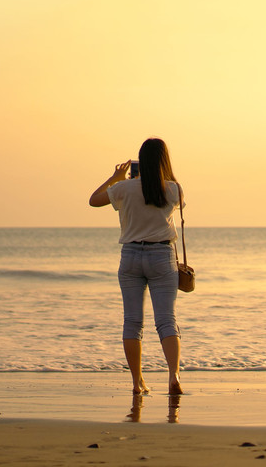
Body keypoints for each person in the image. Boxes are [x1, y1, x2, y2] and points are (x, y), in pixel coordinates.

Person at [89, 137, 184, 396]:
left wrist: (115, 177)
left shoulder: (124, 188)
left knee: (132, 322)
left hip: (130, 255)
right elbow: (177, 206)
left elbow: (93, 200)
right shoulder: (173, 189)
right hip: (162, 255)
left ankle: (136, 382)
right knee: (166, 320)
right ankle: (173, 375)